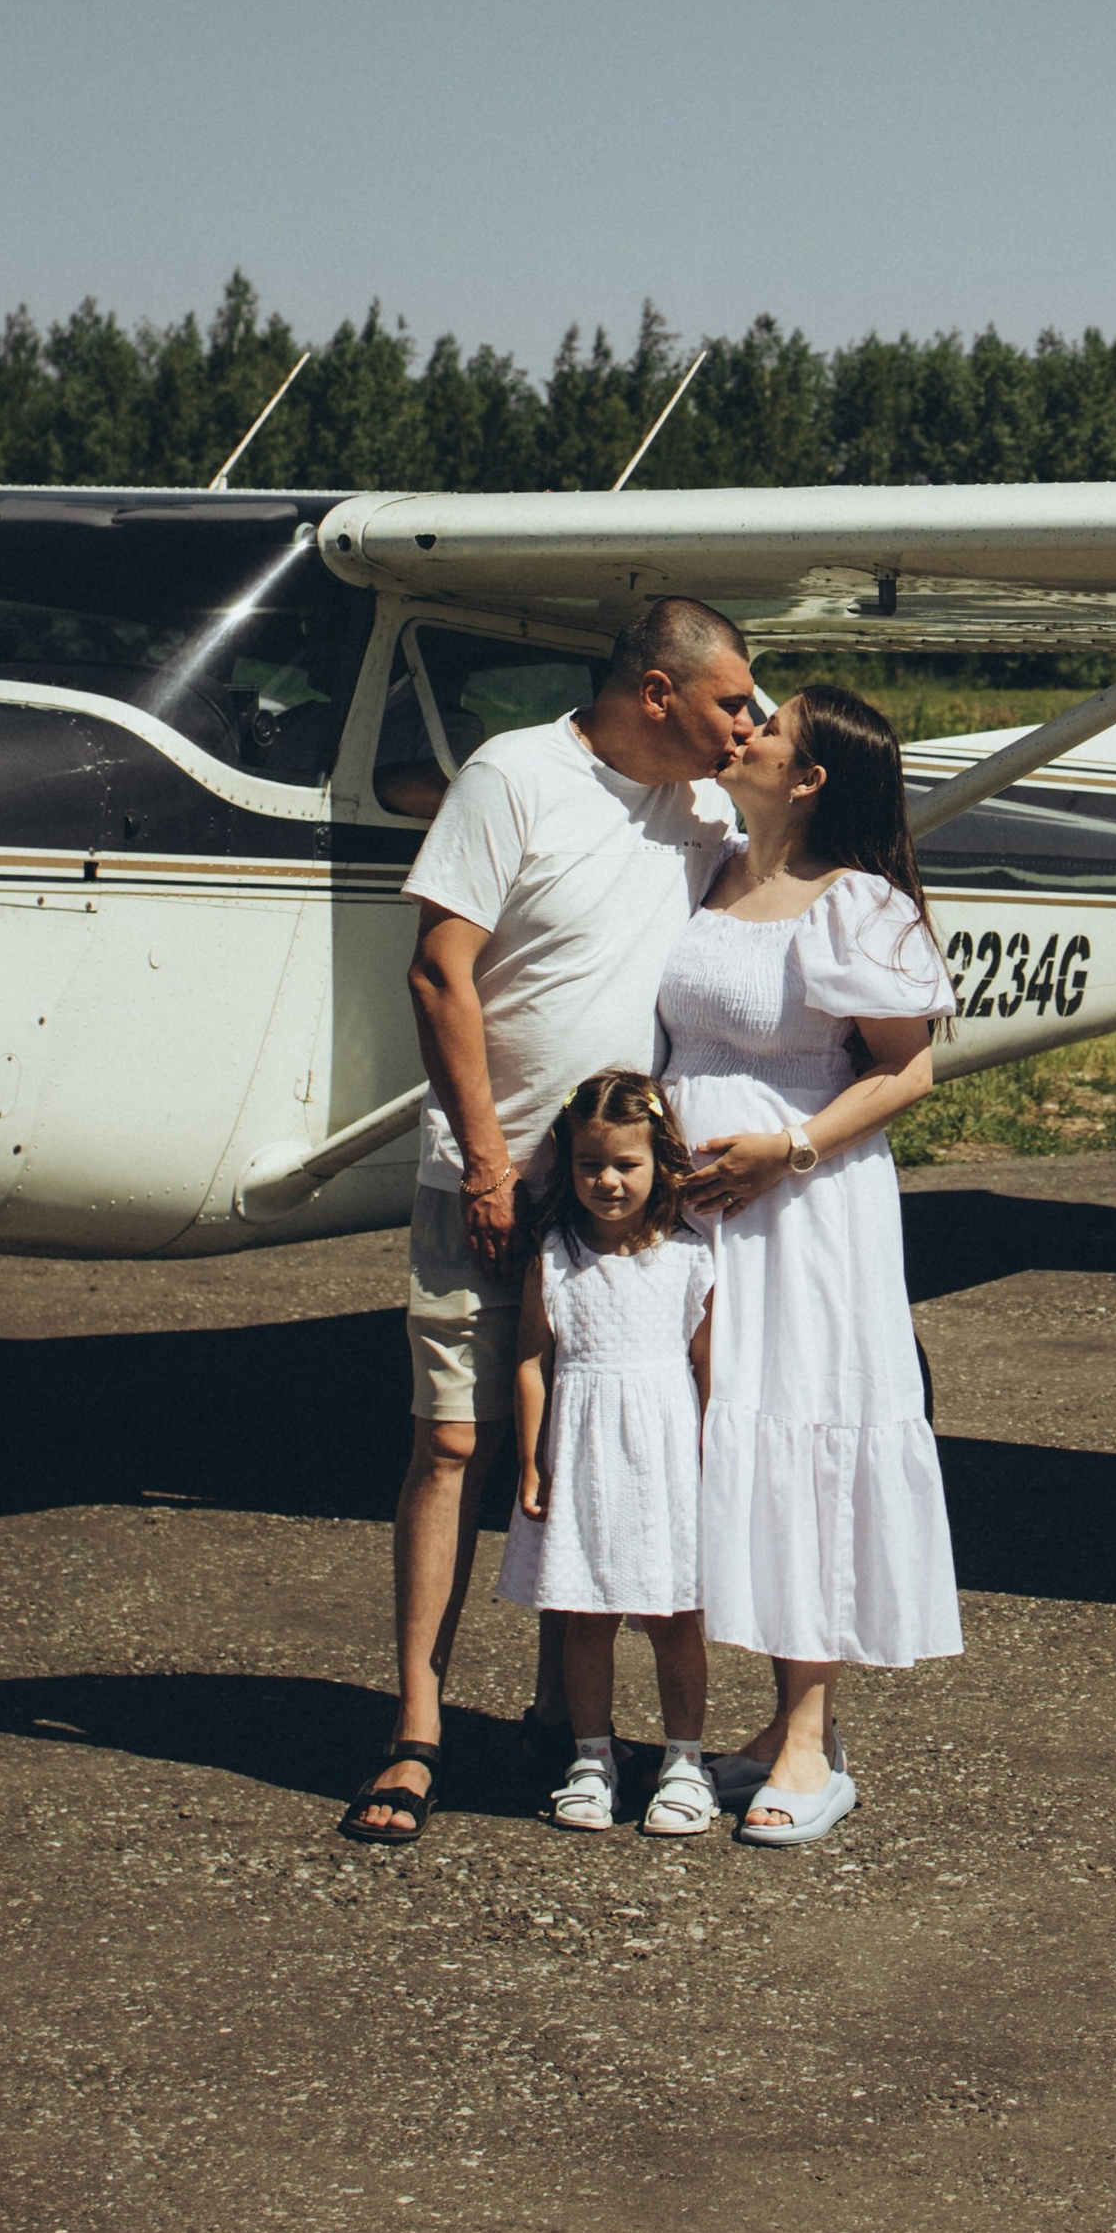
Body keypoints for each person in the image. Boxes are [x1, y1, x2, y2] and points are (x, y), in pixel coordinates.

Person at [337, 597, 756, 1849]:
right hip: (490, 1176)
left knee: (582, 1451)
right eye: (734, 699)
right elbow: (438, 967)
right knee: (458, 1444)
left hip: (625, 1201)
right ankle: (416, 1727)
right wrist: (481, 1162)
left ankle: (556, 1714)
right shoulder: (513, 774)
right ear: (657, 693)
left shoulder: (709, 813)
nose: (753, 720)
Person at [660, 680, 961, 1846]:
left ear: (810, 776)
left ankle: (809, 1736)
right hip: (698, 1208)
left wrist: (783, 1151)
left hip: (804, 1205)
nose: (746, 731)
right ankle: (778, 1722)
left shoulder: (859, 903)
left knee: (804, 1433)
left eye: (768, 726)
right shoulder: (712, 866)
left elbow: (907, 1071)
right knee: (719, 1436)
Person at [494, 1070, 719, 1839]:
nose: (608, 1181)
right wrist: (531, 1459)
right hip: (582, 1456)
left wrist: (710, 1456)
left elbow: (705, 1367)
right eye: (591, 1164)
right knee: (584, 1616)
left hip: (663, 1464)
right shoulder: (555, 1256)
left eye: (626, 1163)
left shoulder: (690, 1257)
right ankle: (592, 1757)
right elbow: (531, 1359)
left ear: (659, 1161)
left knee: (672, 1615)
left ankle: (683, 1761)